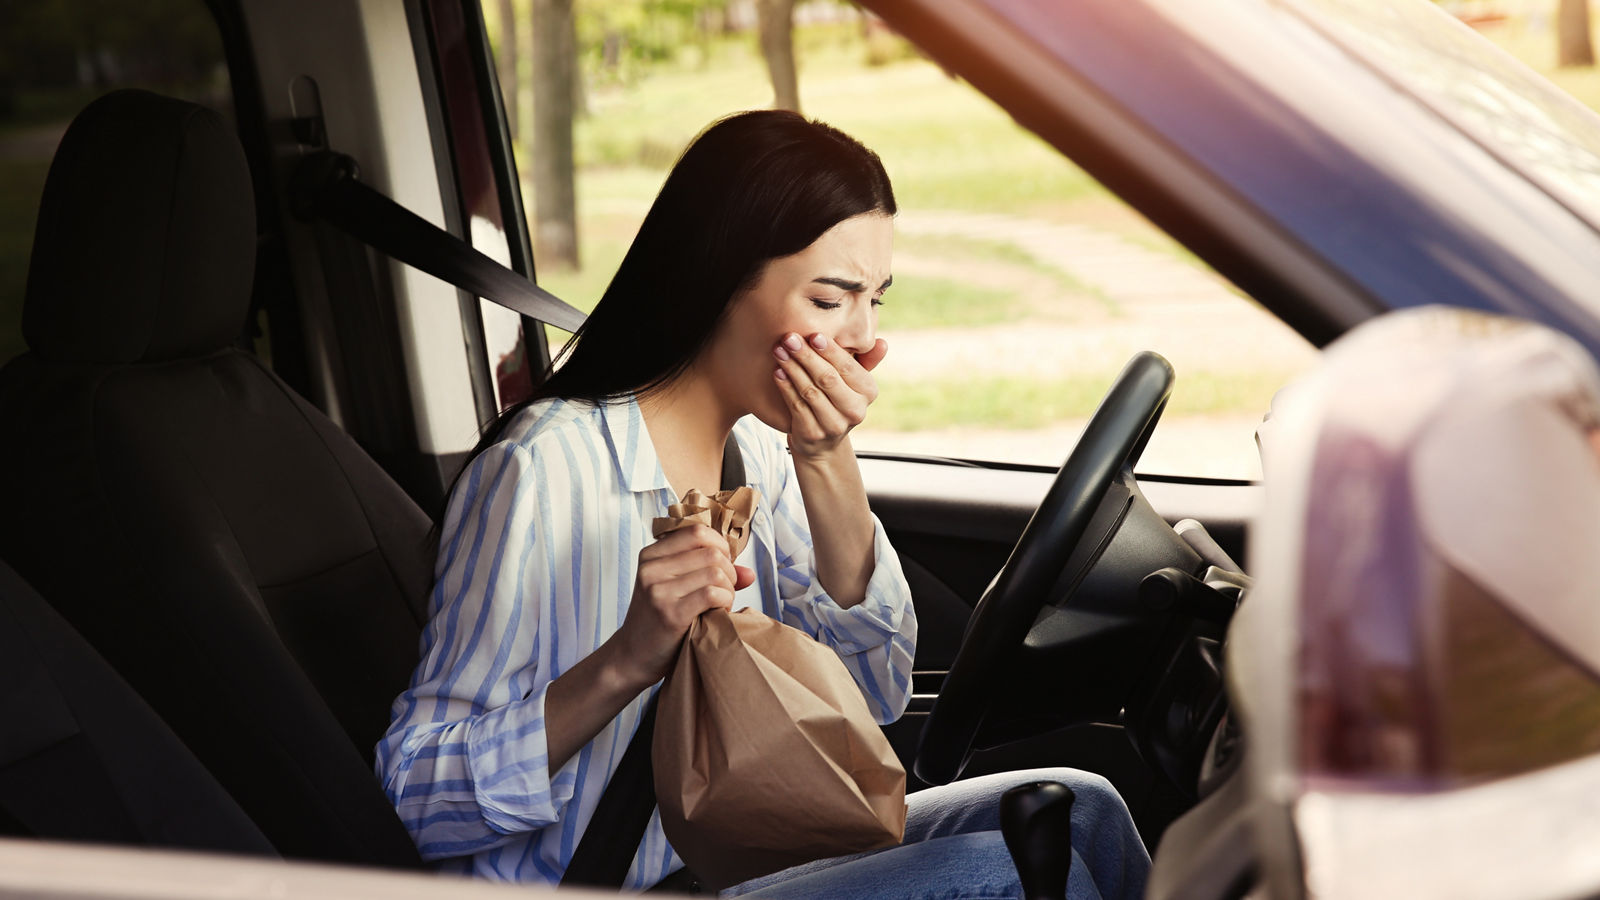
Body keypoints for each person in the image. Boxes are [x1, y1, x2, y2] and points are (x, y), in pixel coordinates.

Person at [375, 110, 1150, 900]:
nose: (863, 339)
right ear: (721, 279)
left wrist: (826, 458)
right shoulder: (539, 470)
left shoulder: (766, 459)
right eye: (830, 299)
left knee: (1085, 808)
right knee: (1005, 873)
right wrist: (623, 662)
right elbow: (413, 796)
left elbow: (873, 697)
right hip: (620, 885)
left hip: (749, 859)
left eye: (875, 300)